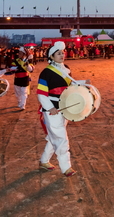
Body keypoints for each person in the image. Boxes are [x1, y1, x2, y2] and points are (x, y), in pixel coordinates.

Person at [36, 41, 77, 177]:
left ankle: (44, 161)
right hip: (52, 110)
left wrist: (83, 84)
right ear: (51, 57)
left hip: (65, 107)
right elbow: (41, 94)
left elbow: (72, 86)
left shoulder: (67, 68)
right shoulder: (46, 73)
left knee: (54, 137)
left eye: (63, 52)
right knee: (61, 138)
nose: (62, 55)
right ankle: (66, 167)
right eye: (58, 53)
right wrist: (50, 108)